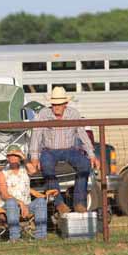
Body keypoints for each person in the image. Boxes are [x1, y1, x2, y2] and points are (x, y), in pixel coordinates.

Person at [29, 86, 100, 215]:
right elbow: (36, 135)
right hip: (49, 150)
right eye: (54, 104)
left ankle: (79, 203)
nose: (56, 107)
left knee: (84, 164)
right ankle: (59, 203)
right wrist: (34, 157)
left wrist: (91, 154)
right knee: (46, 165)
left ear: (65, 104)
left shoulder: (73, 114)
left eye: (59, 104)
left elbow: (82, 134)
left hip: (69, 149)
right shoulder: (43, 114)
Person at [0, 145, 55, 241]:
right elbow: (4, 194)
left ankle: (41, 236)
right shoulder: (2, 173)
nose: (13, 157)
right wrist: (20, 203)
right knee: (11, 202)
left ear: (20, 157)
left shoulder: (25, 169)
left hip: (26, 205)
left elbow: (33, 171)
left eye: (16, 155)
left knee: (41, 201)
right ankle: (15, 238)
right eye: (10, 155)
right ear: (7, 158)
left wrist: (24, 157)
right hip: (8, 205)